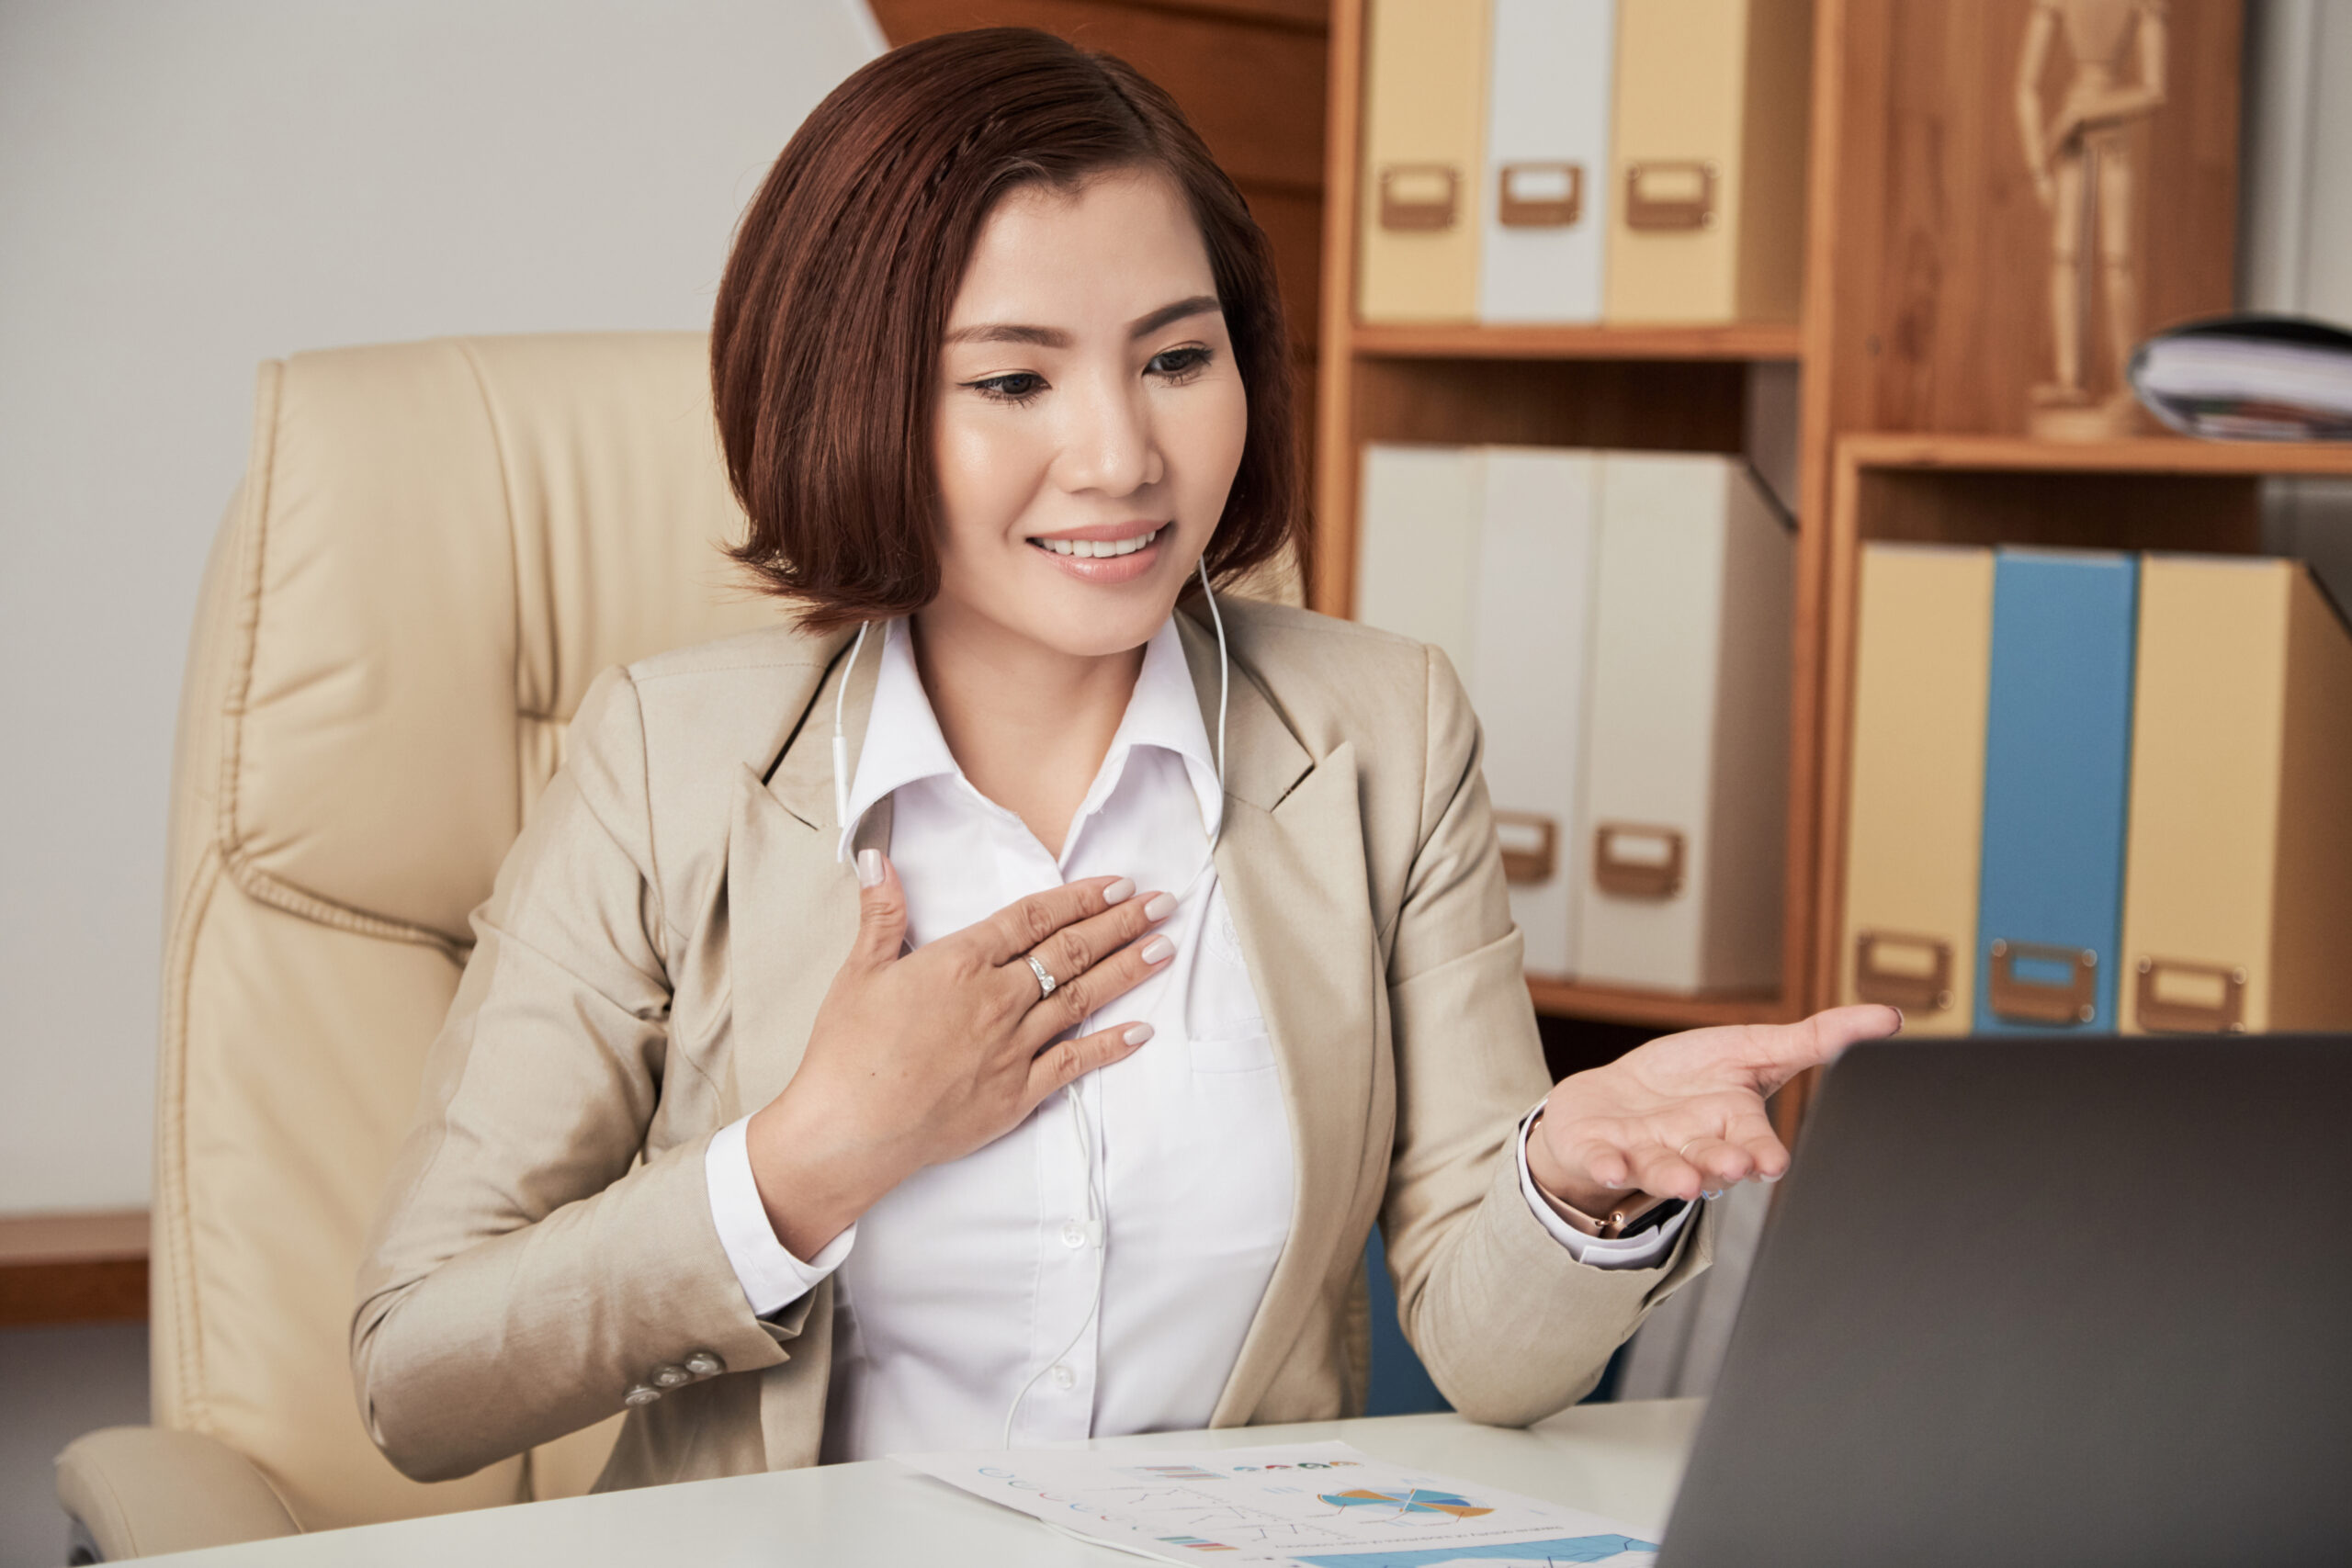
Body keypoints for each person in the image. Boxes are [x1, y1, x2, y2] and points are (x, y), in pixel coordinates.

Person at [351, 27, 1900, 1490]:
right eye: (1015, 380)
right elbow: (418, 1377)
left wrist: (1572, 1173)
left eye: (1175, 358)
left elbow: (1486, 1352)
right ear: (857, 402)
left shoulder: (1382, 736)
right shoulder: (664, 764)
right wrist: (809, 1161)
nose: (1123, 456)